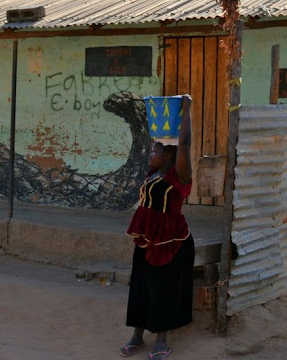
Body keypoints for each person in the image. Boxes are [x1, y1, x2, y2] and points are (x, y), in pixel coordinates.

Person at [119, 95, 194, 360]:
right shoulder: (154, 172)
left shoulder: (179, 174)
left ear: (169, 155)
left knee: (165, 288)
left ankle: (162, 339)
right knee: (140, 284)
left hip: (171, 240)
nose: (150, 154)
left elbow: (184, 143)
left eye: (155, 151)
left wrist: (186, 110)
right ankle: (137, 335)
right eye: (151, 150)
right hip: (147, 236)